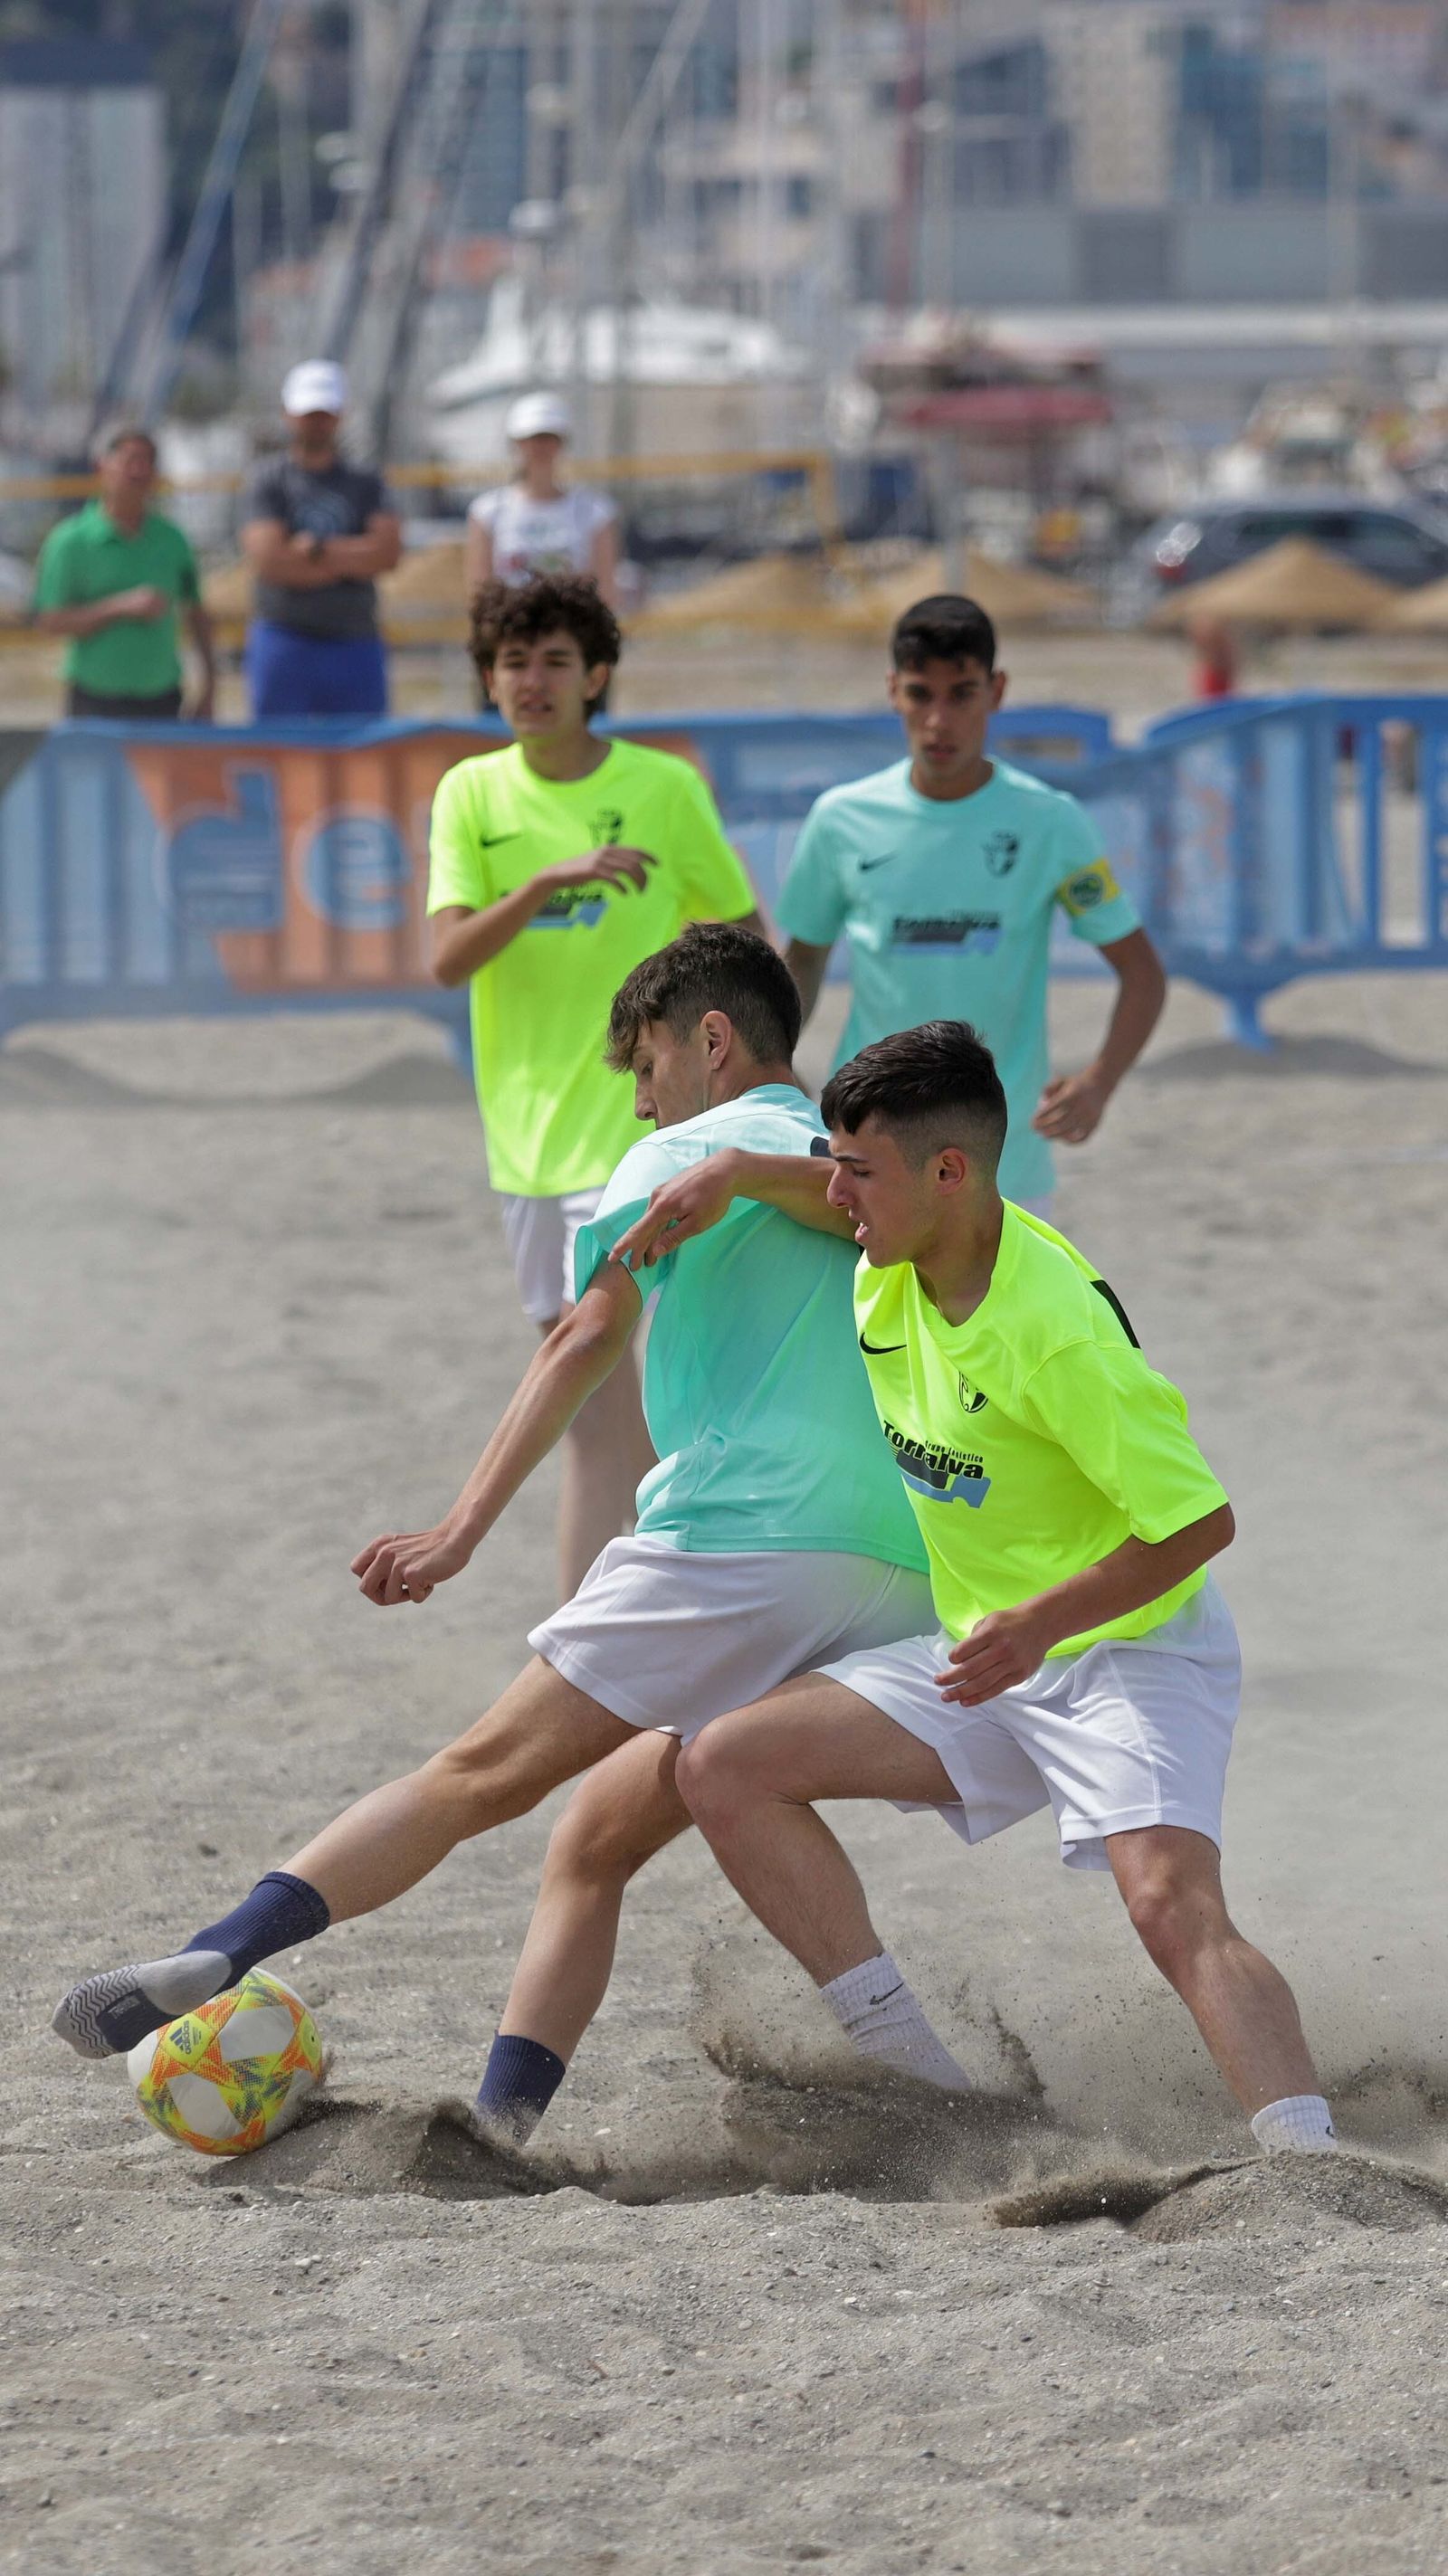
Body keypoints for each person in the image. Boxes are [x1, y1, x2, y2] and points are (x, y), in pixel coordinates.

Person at [52, 927, 948, 2150]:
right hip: (902, 1561)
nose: (639, 1096)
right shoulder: (869, 1167)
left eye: (644, 1063)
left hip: (747, 1542)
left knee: (477, 1774)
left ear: (713, 1040)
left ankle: (219, 1951)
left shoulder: (675, 1155)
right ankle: (515, 2122)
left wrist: (460, 1525)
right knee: (599, 1831)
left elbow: (580, 1342)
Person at [615, 1020, 1336, 2157]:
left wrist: (1038, 1625)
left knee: (1166, 1905)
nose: (838, 1197)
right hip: (980, 1656)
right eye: (833, 1167)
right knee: (725, 1764)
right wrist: (735, 1171)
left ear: (948, 1173)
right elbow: (823, 1192)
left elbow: (1201, 1523)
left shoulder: (1055, 1336)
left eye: (858, 1174)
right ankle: (922, 2086)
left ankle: (1309, 2162)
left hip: (1123, 1652)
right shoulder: (889, 1265)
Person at [429, 573, 760, 1595]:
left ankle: (589, 1664)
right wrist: (545, 884)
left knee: (604, 1407)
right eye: (513, 662)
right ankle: (669, 1628)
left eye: (555, 661)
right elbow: (445, 959)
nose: (532, 680)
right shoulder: (470, 793)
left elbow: (745, 939)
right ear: (489, 678)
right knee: (615, 1413)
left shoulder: (663, 788)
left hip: (646, 1134)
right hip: (525, 1143)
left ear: (597, 675)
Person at [775, 594, 1167, 1220]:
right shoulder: (841, 819)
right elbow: (803, 963)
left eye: (961, 693)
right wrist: (777, 1074)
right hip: (864, 1158)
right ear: (892, 692)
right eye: (920, 693)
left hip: (1003, 1162)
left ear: (997, 690)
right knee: (864, 1323)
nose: (939, 719)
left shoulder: (1050, 821)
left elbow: (1142, 972)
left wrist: (1099, 1083)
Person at [240, 359, 401, 718]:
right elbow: (268, 561)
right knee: (280, 754)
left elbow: (387, 554)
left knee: (361, 759)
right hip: (285, 637)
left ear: (340, 415)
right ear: (287, 414)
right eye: (308, 413)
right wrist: (351, 562)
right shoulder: (268, 479)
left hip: (354, 640)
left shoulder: (366, 480)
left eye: (324, 413)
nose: (316, 423)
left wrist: (313, 551)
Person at [31, 425, 215, 721]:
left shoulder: (171, 539)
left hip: (162, 697)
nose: (139, 471)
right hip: (96, 699)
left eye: (148, 461)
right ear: (101, 467)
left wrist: (209, 688)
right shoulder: (71, 542)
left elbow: (197, 614)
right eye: (130, 460)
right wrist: (119, 607)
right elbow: (50, 620)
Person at [465, 393, 619, 607]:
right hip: (512, 631)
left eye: (548, 438)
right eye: (531, 439)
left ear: (562, 443)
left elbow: (605, 591)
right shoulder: (488, 511)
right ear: (516, 444)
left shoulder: (594, 511)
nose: (540, 447)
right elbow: (480, 593)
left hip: (572, 630)